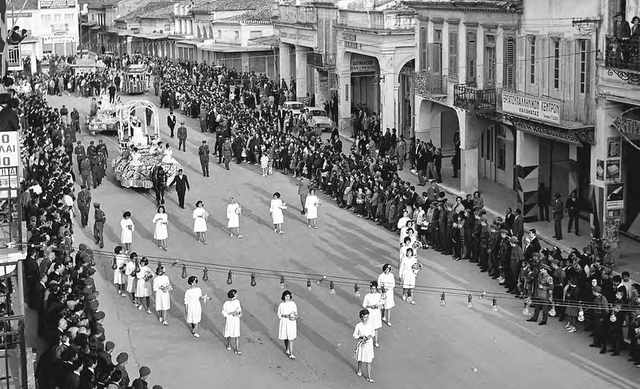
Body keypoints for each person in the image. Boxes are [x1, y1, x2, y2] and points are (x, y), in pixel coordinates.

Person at [353, 309, 375, 383]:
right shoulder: (358, 326)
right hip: (361, 344)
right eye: (365, 317)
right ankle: (359, 369)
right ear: (361, 317)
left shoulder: (370, 324)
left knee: (369, 361)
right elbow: (354, 335)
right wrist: (360, 337)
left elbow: (373, 333)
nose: (366, 319)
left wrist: (369, 336)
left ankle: (369, 376)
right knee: (360, 358)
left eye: (367, 317)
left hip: (368, 345)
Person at [277, 290, 298, 359]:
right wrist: (285, 316)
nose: (287, 298)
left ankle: (291, 354)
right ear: (284, 297)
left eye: (288, 296)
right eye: (286, 296)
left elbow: (296, 313)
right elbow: (279, 314)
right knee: (285, 337)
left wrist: (293, 316)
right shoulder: (281, 305)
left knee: (290, 338)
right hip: (284, 322)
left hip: (291, 322)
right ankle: (287, 349)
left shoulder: (293, 304)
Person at [221, 289, 242, 355]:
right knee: (229, 333)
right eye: (235, 294)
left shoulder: (237, 301)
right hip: (230, 320)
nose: (237, 295)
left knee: (237, 334)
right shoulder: (226, 304)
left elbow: (239, 309)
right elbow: (224, 313)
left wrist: (239, 313)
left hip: (236, 320)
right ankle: (229, 344)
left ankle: (237, 349)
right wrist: (232, 313)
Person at [362, 281, 382, 348]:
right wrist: (370, 306)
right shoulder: (367, 296)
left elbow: (381, 304)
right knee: (369, 327)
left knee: (376, 328)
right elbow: (364, 305)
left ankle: (375, 341)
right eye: (372, 288)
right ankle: (368, 340)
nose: (373, 290)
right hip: (370, 313)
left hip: (376, 313)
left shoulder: (379, 295)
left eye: (374, 288)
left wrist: (378, 306)